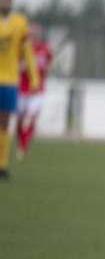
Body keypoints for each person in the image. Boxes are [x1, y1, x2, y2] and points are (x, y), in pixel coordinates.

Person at [0, 0, 37, 181]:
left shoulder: (20, 23)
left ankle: (2, 164)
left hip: (9, 80)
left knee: (5, 122)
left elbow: (27, 51)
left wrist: (34, 76)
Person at [15, 21, 52, 162]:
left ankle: (23, 147)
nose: (34, 34)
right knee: (19, 120)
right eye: (32, 31)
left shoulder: (45, 49)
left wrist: (46, 71)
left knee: (30, 119)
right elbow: (16, 66)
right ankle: (21, 142)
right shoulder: (23, 48)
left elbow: (48, 65)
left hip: (37, 90)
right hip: (22, 89)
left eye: (37, 31)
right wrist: (21, 67)